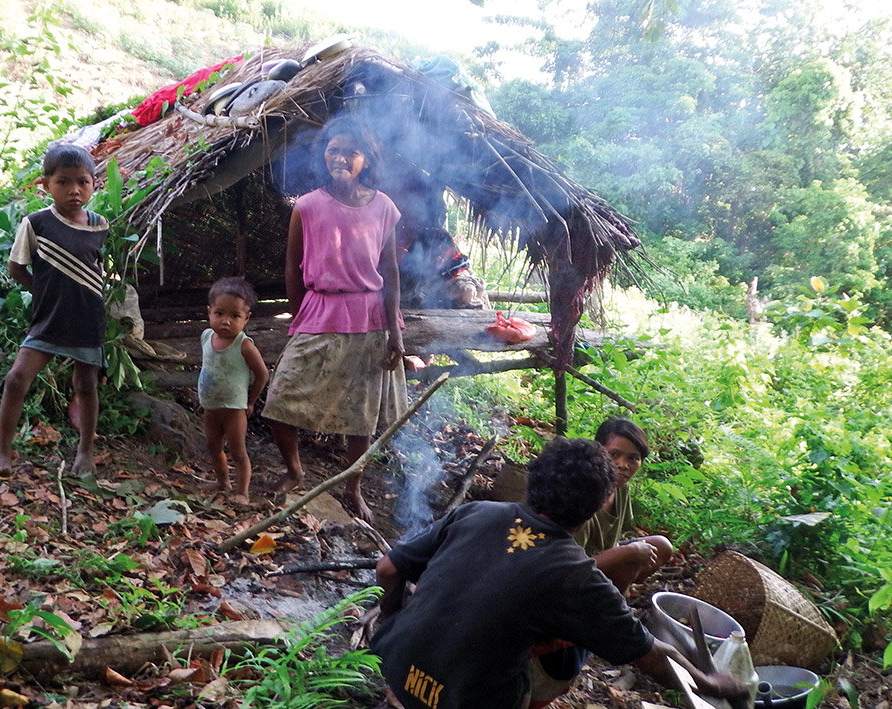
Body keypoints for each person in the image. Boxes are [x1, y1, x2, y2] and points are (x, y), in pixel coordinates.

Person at [372, 437, 746, 709]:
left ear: (534, 480)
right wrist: (707, 680)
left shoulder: (477, 512)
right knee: (574, 644)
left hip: (392, 663)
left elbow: (388, 569)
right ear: (601, 503)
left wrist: (391, 620)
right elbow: (648, 653)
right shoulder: (577, 576)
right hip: (465, 700)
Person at [262, 116, 405, 523]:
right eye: (334, 150)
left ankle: (352, 486)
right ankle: (294, 470)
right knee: (280, 397)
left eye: (351, 151)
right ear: (324, 155)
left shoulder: (383, 207)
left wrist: (395, 331)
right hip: (321, 311)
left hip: (370, 315)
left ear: (366, 159)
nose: (341, 158)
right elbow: (292, 269)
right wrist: (300, 311)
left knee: (362, 414)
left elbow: (390, 271)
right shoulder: (307, 206)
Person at [0, 144, 108, 476]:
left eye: (82, 182)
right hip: (48, 319)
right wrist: (43, 293)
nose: (74, 190)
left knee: (86, 385)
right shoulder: (36, 223)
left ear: (94, 184)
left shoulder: (100, 225)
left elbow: (96, 269)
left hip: (88, 320)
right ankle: (3, 449)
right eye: (64, 182)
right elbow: (17, 268)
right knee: (17, 378)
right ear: (46, 185)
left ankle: (85, 451)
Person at [575, 418, 673, 596]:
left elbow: (612, 542)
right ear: (597, 451)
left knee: (662, 546)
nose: (623, 465)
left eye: (633, 458)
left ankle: (615, 589)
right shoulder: (582, 496)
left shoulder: (621, 488)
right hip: (575, 572)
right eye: (614, 455)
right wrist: (628, 554)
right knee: (631, 558)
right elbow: (569, 567)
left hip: (601, 560)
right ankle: (609, 602)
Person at [198, 276, 270, 503]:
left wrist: (251, 401)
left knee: (238, 452)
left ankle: (242, 491)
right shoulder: (207, 337)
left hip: (234, 410)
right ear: (209, 312)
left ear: (246, 318)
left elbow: (262, 374)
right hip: (210, 407)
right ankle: (222, 482)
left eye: (235, 316)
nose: (226, 321)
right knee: (213, 447)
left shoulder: (244, 345)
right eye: (219, 314)